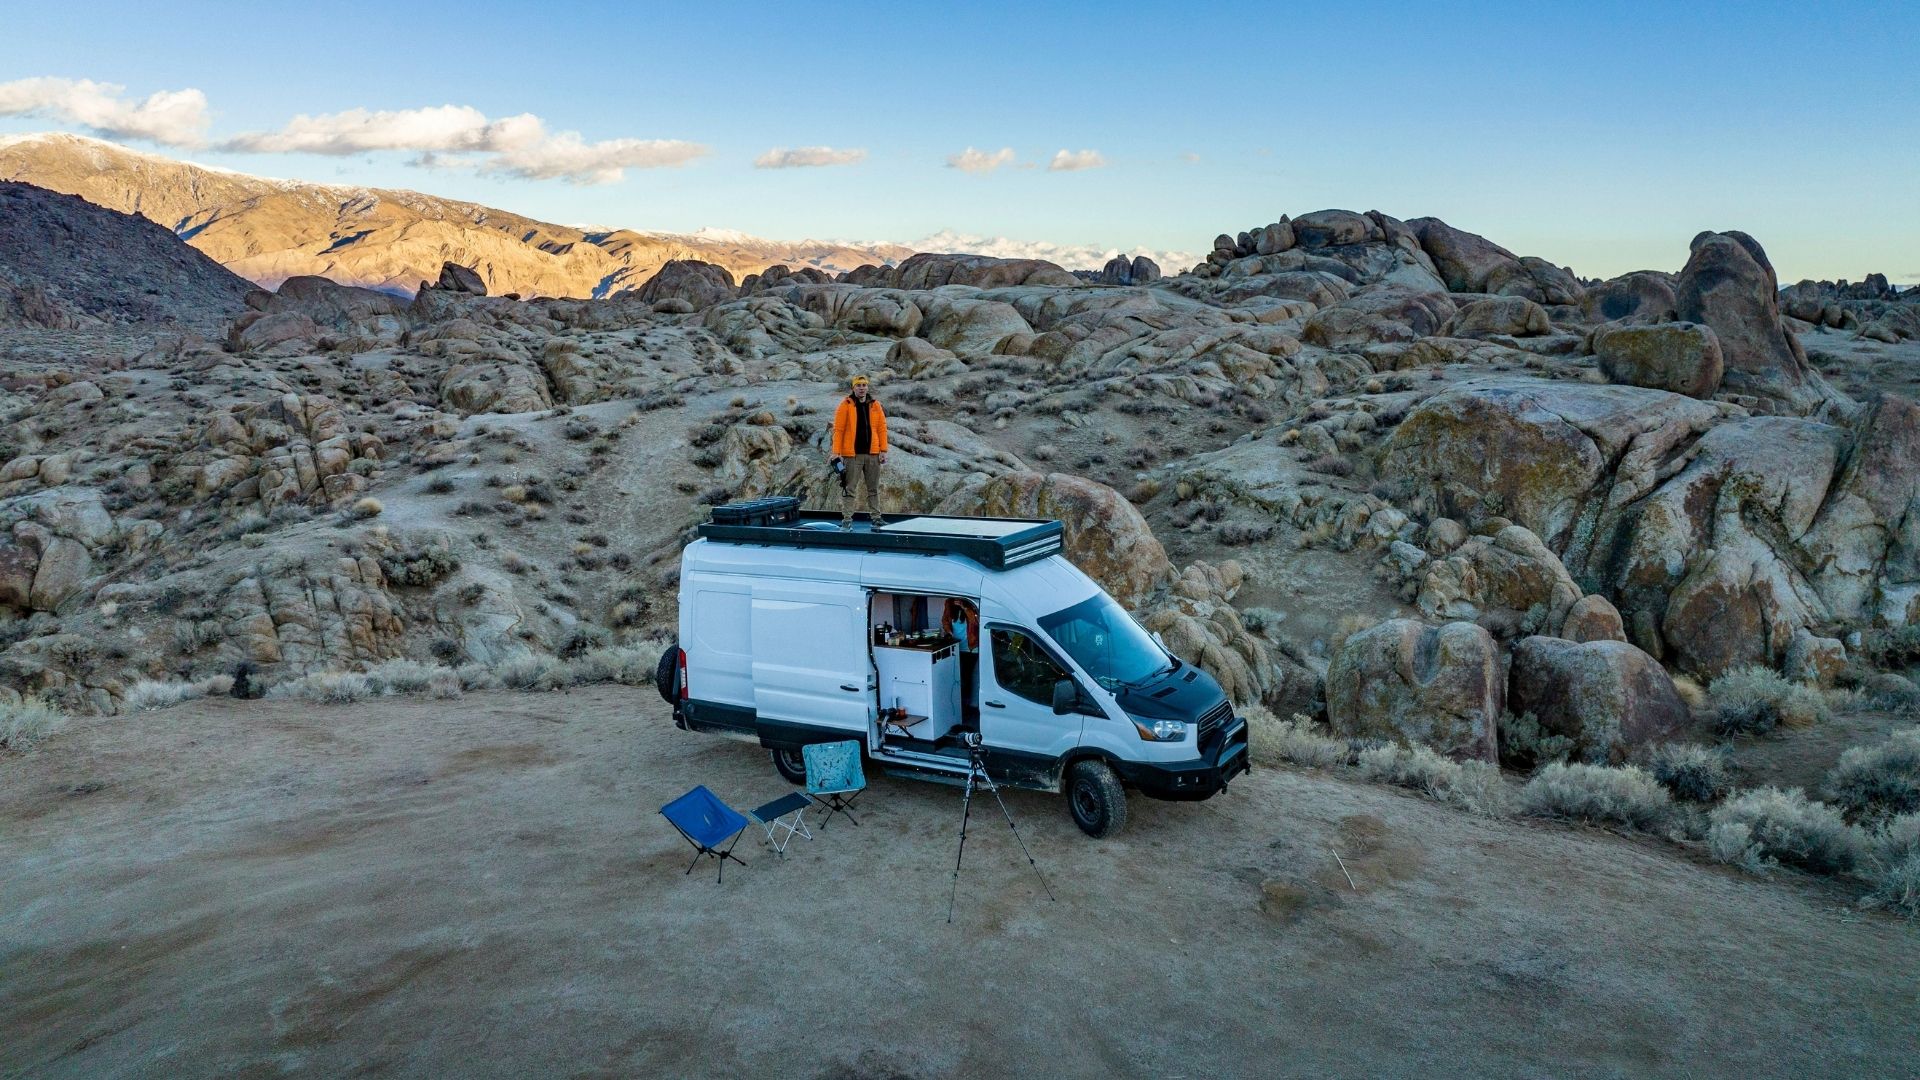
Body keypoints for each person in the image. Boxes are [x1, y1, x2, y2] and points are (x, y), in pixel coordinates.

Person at [830, 374, 889, 529]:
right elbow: (838, 430)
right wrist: (836, 453)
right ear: (853, 387)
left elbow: (882, 429)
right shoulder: (846, 405)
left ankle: (876, 518)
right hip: (852, 455)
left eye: (864, 385)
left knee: (873, 488)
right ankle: (847, 520)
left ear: (867, 387)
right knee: (849, 488)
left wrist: (883, 450)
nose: (862, 388)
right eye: (858, 385)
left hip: (873, 454)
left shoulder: (875, 405)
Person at [943, 597, 980, 719]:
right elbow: (945, 621)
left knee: (965, 677)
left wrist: (964, 607)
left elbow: (975, 622)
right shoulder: (949, 603)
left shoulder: (971, 605)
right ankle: (958, 707)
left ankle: (965, 707)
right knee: (956, 677)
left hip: (970, 648)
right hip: (956, 646)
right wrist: (949, 632)